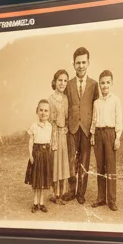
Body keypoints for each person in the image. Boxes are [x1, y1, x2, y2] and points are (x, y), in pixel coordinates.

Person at [64, 47, 100, 204]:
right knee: (72, 160)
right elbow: (65, 107)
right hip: (71, 128)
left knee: (84, 161)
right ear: (73, 65)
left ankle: (81, 193)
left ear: (88, 63)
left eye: (83, 62)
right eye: (78, 63)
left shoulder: (94, 84)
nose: (81, 66)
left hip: (86, 129)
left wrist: (93, 130)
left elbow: (97, 108)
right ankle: (71, 191)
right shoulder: (68, 84)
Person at [90, 70, 123, 211]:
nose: (105, 86)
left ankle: (112, 199)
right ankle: (101, 198)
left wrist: (117, 137)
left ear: (112, 83)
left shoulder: (116, 100)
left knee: (111, 167)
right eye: (102, 83)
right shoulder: (96, 102)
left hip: (110, 134)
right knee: (100, 167)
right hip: (98, 134)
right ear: (99, 84)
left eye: (107, 82)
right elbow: (94, 119)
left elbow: (118, 120)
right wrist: (92, 135)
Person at [47, 69, 71, 205]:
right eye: (60, 80)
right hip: (54, 134)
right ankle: (54, 193)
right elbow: (49, 120)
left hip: (63, 135)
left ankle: (61, 193)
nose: (62, 83)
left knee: (63, 163)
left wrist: (65, 127)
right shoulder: (50, 99)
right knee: (55, 163)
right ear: (55, 81)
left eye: (65, 81)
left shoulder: (66, 99)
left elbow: (66, 117)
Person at [28, 99, 55, 213]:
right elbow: (31, 142)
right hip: (37, 154)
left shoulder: (50, 126)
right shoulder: (34, 126)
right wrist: (30, 155)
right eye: (41, 110)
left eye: (46, 111)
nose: (43, 113)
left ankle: (42, 203)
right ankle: (35, 203)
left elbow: (51, 141)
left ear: (49, 113)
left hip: (45, 155)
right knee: (36, 180)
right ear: (37, 111)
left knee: (43, 180)